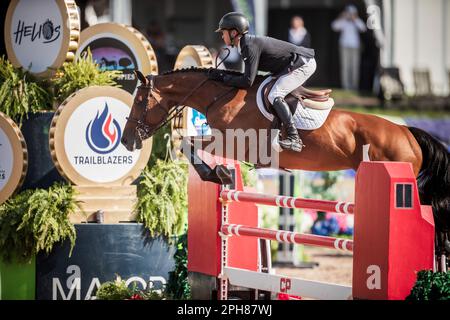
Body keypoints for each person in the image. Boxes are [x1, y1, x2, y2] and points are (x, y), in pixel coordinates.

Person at [208, 12, 316, 153]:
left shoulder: (248, 45)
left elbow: (247, 81)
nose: (222, 36)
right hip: (289, 65)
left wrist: (223, 78)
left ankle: (294, 137)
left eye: (223, 32)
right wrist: (224, 75)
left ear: (234, 32)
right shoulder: (245, 44)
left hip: (303, 63)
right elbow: (250, 77)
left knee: (274, 94)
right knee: (266, 89)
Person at [331, 5, 367, 90]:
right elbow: (334, 26)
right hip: (344, 46)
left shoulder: (357, 21)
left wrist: (355, 19)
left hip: (355, 47)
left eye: (352, 13)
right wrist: (342, 16)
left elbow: (363, 28)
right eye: (349, 13)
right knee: (345, 66)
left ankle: (354, 86)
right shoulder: (343, 21)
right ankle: (346, 87)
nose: (350, 15)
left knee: (355, 67)